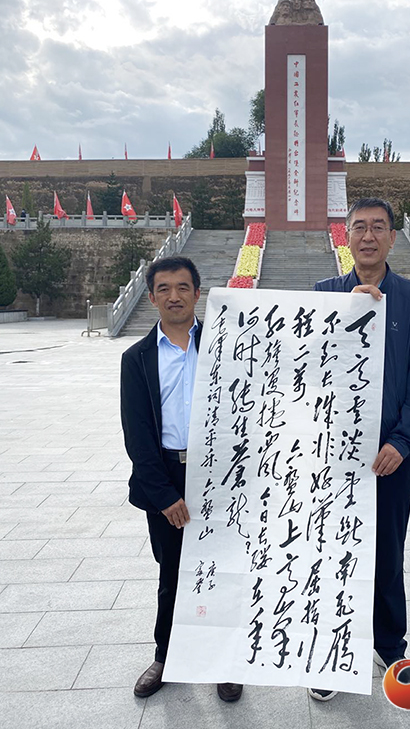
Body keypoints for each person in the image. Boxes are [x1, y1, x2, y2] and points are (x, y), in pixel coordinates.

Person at [310, 197, 410, 701]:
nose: (368, 236)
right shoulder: (324, 295)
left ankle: (389, 645)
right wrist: (346, 315)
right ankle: (329, 654)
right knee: (329, 554)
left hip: (391, 459)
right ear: (346, 236)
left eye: (378, 227)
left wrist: (402, 441)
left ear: (391, 237)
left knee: (387, 554)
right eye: (359, 227)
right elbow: (303, 368)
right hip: (330, 458)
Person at [120, 256, 243, 703]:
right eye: (164, 289)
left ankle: (225, 660)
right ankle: (166, 655)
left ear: (197, 293)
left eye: (183, 287)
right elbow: (137, 433)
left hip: (220, 475)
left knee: (223, 570)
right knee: (172, 572)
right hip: (166, 473)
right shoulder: (136, 359)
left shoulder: (227, 346)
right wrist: (163, 494)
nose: (174, 296)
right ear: (152, 297)